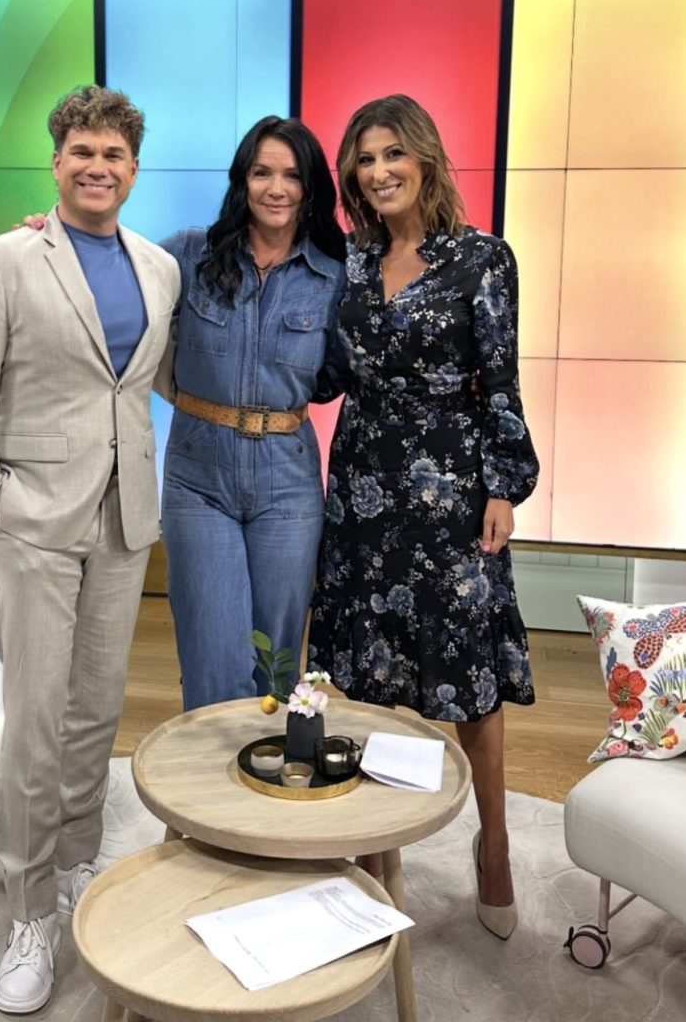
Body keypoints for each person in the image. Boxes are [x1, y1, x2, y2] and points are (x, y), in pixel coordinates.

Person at [0, 85, 180, 1014]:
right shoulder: (3, 259)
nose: (96, 167)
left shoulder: (159, 268)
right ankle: (27, 911)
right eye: (82, 151)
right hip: (34, 520)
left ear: (132, 169)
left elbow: (140, 386)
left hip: (123, 520)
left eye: (113, 154)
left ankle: (77, 863)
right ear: (57, 160)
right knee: (35, 722)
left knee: (94, 711)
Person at [307, 94, 539, 940]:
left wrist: (503, 485)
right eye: (364, 160)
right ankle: (374, 847)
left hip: (452, 489)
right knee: (369, 673)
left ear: (426, 158)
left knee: (467, 674)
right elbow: (325, 374)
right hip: (362, 485)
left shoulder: (481, 257)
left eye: (391, 154)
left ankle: (494, 843)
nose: (378, 172)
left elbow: (499, 376)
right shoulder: (348, 261)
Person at [159, 116, 346, 710]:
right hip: (198, 476)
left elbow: (336, 374)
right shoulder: (190, 253)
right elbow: (113, 281)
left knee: (277, 663)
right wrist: (49, 234)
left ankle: (268, 765)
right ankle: (211, 770)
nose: (276, 188)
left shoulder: (333, 275)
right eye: (262, 172)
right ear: (242, 179)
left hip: (288, 481)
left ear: (309, 187)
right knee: (214, 658)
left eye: (292, 175)